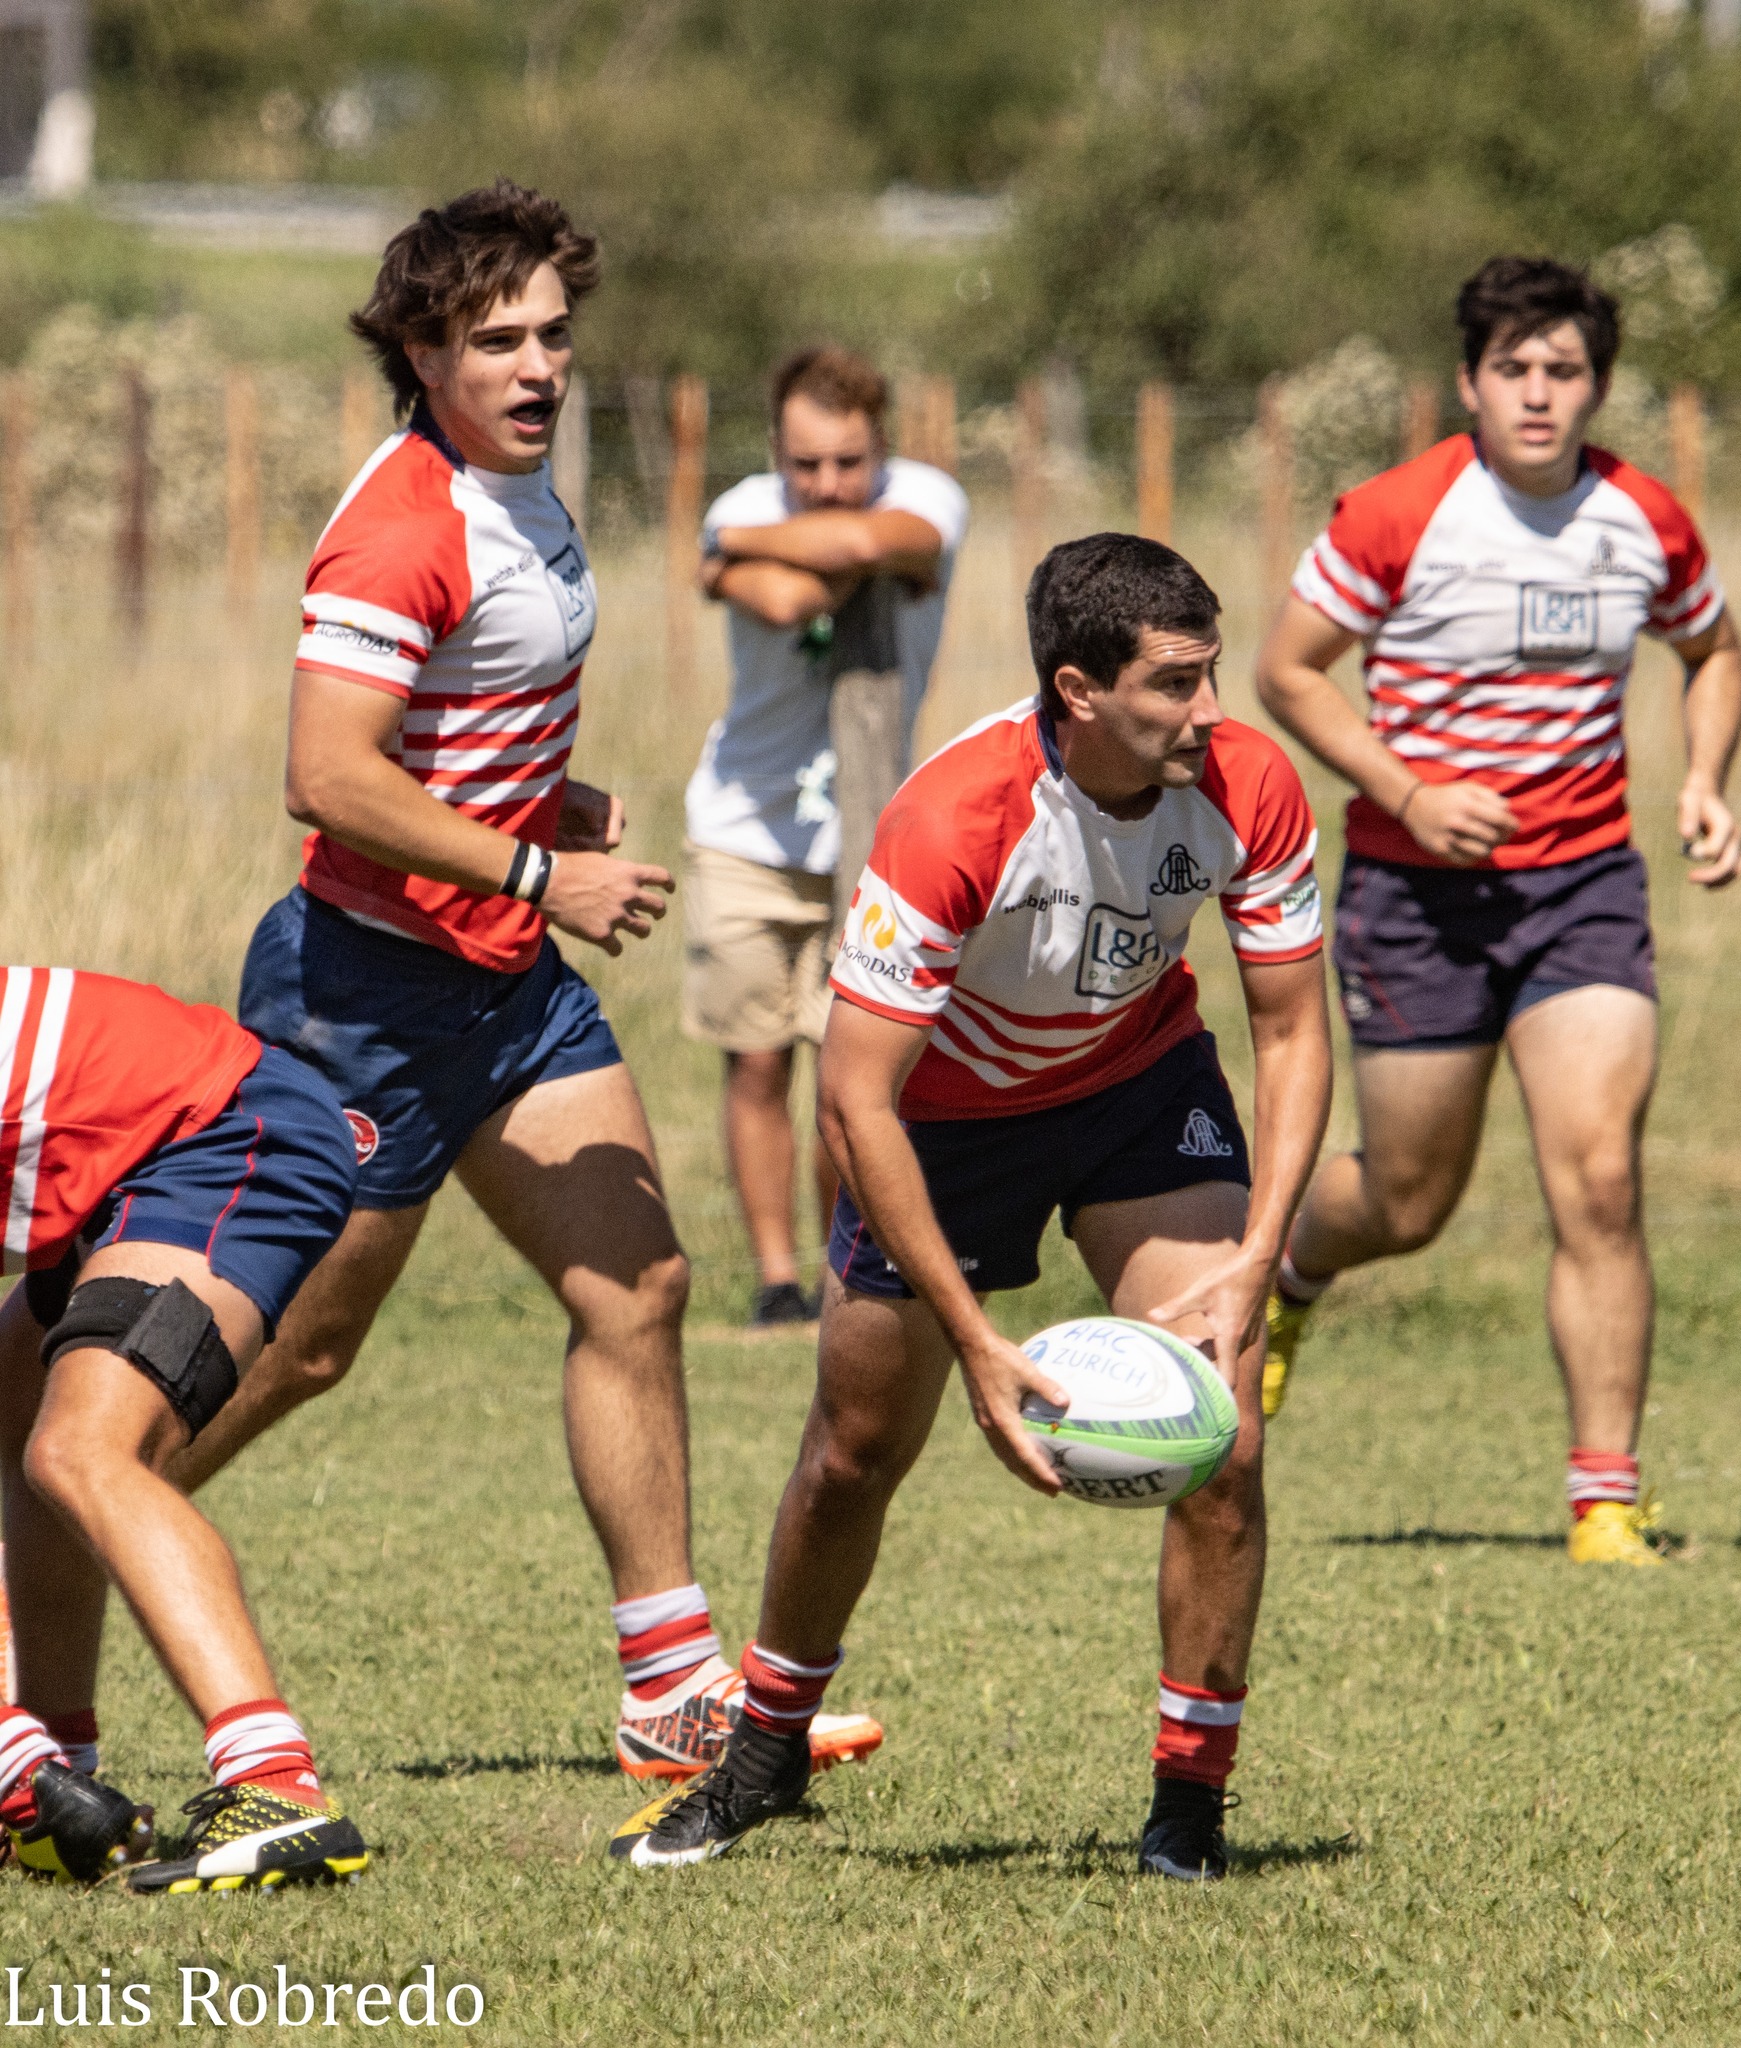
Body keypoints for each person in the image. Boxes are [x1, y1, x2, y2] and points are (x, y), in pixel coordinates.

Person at [129, 182, 875, 1783]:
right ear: (422, 348)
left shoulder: (524, 486)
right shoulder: (401, 525)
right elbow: (327, 774)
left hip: (508, 989)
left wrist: (543, 805)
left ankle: (670, 1694)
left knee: (641, 1290)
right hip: (361, 1003)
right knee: (302, 1350)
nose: (539, 367)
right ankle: (75, 1510)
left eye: (553, 334)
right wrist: (541, 866)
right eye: (498, 340)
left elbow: (449, 733)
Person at [613, 534, 1332, 1881]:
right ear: (1079, 688)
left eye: (1213, 674)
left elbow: (1292, 1033)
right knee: (855, 1450)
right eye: (1176, 684)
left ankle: (1189, 1803)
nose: (1213, 711)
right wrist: (976, 1343)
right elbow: (858, 1096)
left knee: (1221, 1441)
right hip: (940, 1127)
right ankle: (764, 1749)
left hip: (1137, 1089)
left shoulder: (1248, 783)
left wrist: (1257, 1264)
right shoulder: (958, 819)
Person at [1254, 257, 1741, 1567]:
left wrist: (1703, 778)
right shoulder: (1398, 513)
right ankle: (1294, 1268)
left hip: (1583, 888)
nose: (1540, 395)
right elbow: (1287, 672)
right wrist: (1405, 792)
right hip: (1419, 900)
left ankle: (1604, 1502)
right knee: (1410, 1200)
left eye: (1566, 371)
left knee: (1598, 1175)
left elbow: (1713, 649)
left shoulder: (1645, 516)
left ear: (1596, 384)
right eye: (1515, 370)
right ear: (1470, 382)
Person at [0, 965, 366, 1891]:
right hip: (134, 1163)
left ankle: (275, 1787)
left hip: (224, 1133)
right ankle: (61, 1786)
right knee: (18, 1425)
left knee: (83, 1446)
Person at [685, 346, 968, 1325]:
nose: (827, 483)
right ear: (777, 449)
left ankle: (843, 1265)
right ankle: (776, 1280)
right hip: (743, 824)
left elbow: (868, 550)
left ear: (883, 445)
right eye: (806, 465)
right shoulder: (738, 503)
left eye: (850, 462)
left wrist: (728, 561)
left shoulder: (928, 496)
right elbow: (791, 599)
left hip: (875, 829)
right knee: (758, 1060)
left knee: (849, 1072)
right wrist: (750, 563)